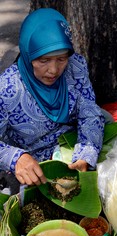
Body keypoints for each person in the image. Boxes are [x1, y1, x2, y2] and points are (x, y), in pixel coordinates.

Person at [0, 8, 105, 193]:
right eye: (43, 60)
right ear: (27, 54)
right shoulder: (8, 89)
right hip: (35, 167)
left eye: (61, 59)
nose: (54, 70)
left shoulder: (76, 67)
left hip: (73, 146)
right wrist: (15, 158)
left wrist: (86, 154)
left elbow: (89, 112)